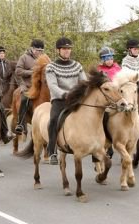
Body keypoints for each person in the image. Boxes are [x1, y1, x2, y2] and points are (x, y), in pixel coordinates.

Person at [46, 37, 87, 165]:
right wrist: (64, 94)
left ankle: (98, 147)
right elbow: (52, 85)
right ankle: (52, 150)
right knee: (53, 120)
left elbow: (84, 82)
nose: (67, 51)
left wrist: (83, 94)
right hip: (60, 100)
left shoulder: (77, 65)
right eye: (64, 49)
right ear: (58, 50)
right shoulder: (51, 67)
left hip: (75, 99)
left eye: (69, 49)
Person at [14, 39, 45, 135]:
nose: (39, 53)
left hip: (41, 85)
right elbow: (18, 71)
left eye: (41, 51)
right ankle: (20, 123)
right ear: (32, 49)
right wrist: (32, 72)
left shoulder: (44, 58)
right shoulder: (24, 57)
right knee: (24, 99)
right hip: (27, 85)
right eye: (37, 50)